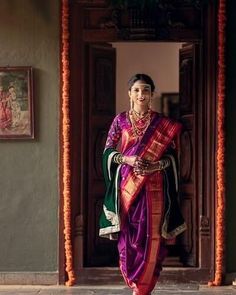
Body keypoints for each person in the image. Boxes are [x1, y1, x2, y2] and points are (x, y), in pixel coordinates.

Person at [99, 73, 187, 295]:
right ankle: (134, 283)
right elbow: (108, 152)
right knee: (128, 237)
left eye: (145, 90)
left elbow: (172, 159)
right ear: (129, 93)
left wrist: (155, 167)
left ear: (152, 94)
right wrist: (127, 159)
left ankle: (144, 289)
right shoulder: (120, 120)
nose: (141, 94)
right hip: (127, 187)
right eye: (136, 90)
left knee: (152, 235)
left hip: (154, 187)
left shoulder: (162, 123)